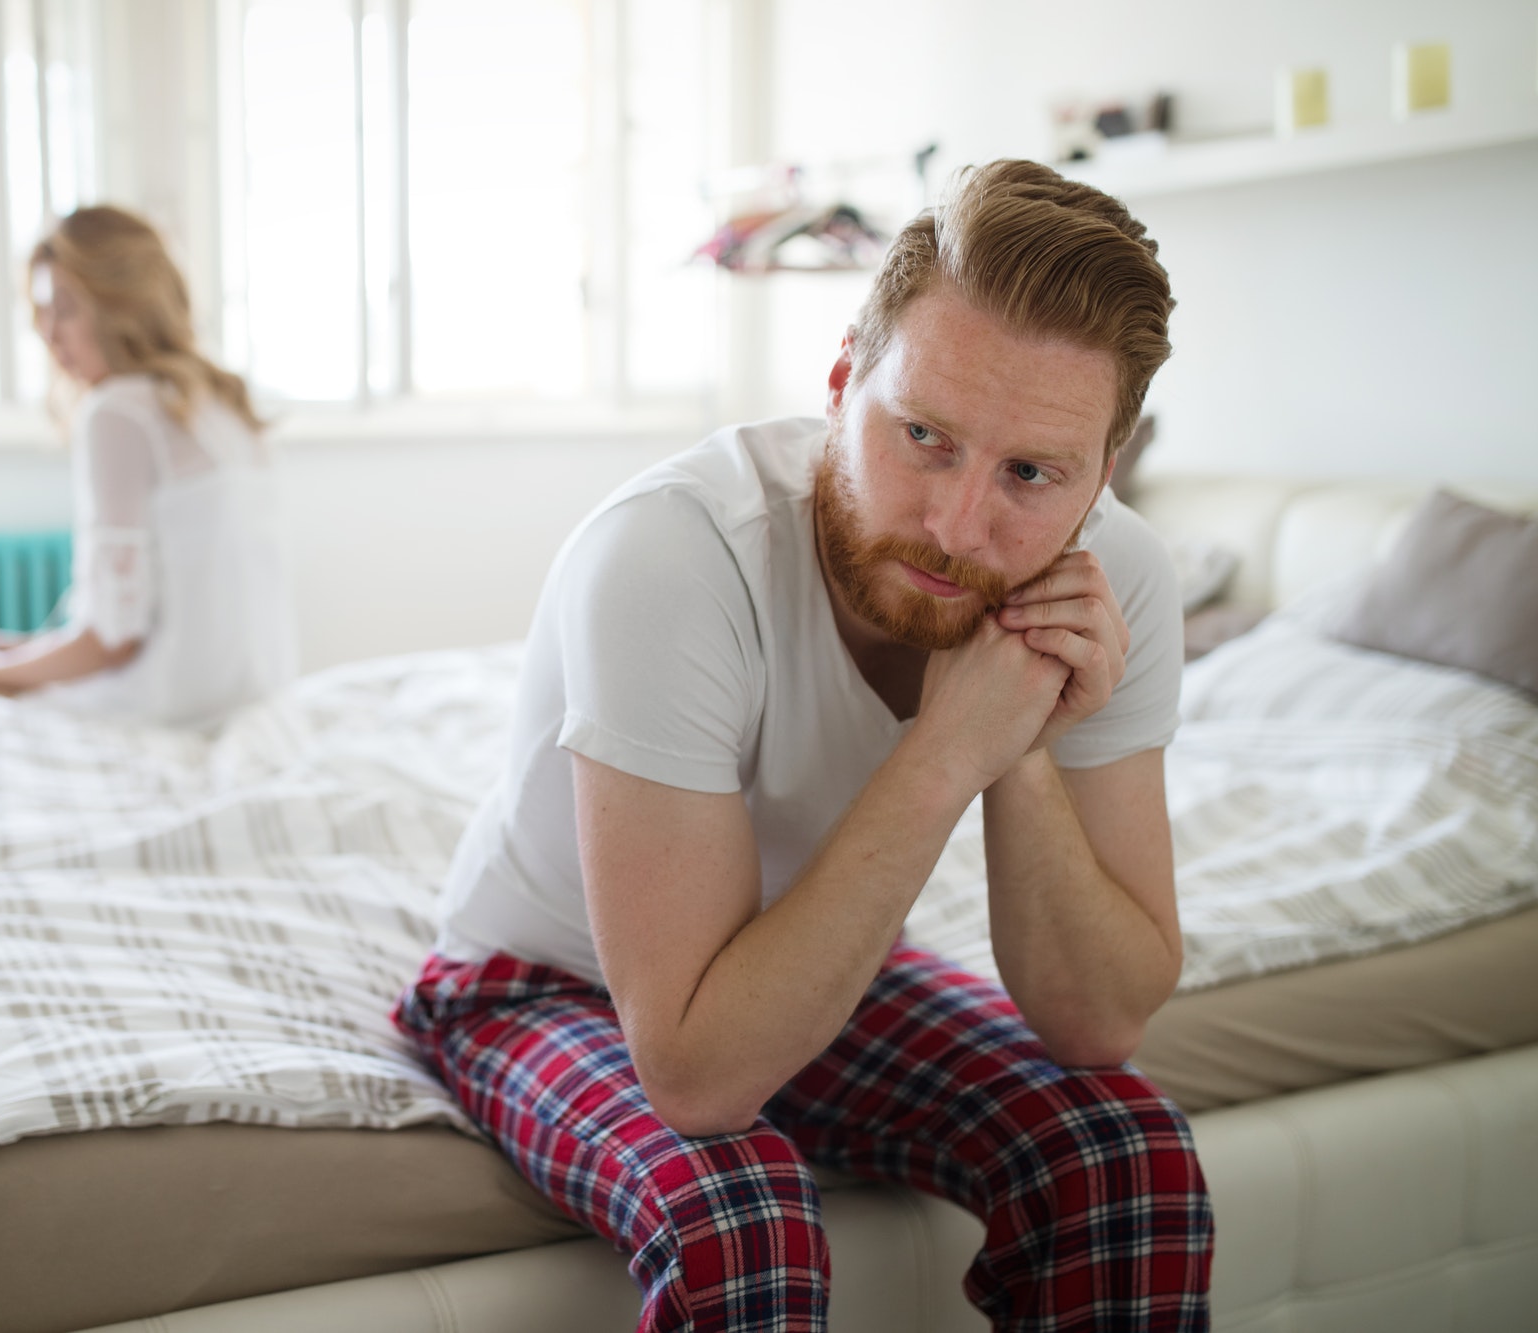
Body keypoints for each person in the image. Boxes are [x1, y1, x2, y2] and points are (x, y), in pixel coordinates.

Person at [396, 160, 1212, 1331]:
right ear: (840, 381)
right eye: (921, 435)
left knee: (1126, 1160)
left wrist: (1016, 745)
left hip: (812, 962)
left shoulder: (1108, 580)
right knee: (744, 1220)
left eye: (1030, 474)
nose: (957, 525)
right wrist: (939, 758)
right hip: (541, 982)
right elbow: (695, 1071)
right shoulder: (671, 555)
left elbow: (1097, 1020)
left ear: (1101, 475)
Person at [0, 205, 296, 726]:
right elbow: (159, 615)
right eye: (44, 311)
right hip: (256, 699)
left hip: (172, 710)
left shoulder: (119, 410)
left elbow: (116, 641)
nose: (50, 335)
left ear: (120, 305)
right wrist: (17, 654)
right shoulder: (220, 401)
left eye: (68, 308)